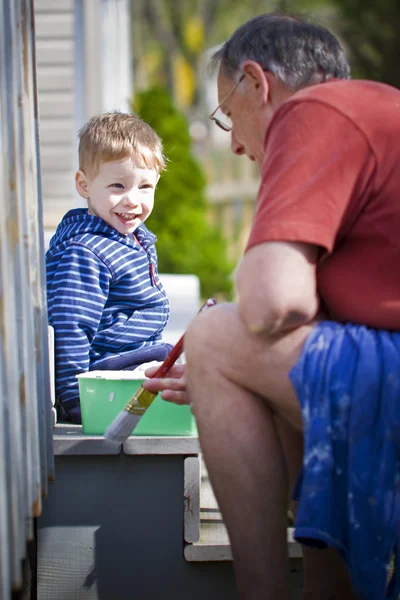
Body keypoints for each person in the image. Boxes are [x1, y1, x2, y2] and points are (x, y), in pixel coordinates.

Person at [143, 13, 400, 600]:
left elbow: (273, 299)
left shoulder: (316, 112)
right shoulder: (379, 110)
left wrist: (222, 355)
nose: (234, 143)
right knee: (250, 358)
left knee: (213, 334)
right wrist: (226, 376)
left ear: (259, 83)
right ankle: (324, 589)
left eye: (229, 115)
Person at [46, 112, 171, 424]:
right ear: (84, 185)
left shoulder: (131, 238)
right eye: (118, 185)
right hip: (106, 379)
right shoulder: (87, 252)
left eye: (145, 187)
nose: (132, 200)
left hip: (135, 361)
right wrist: (77, 402)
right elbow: (70, 328)